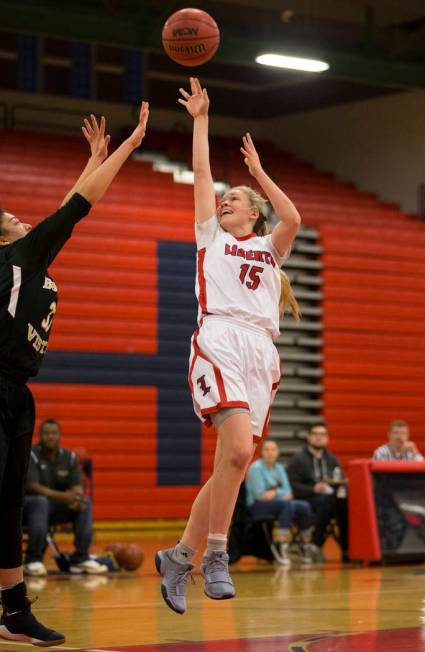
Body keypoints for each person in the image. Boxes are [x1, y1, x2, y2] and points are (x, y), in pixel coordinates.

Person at [0, 102, 149, 646]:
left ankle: (14, 613)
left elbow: (66, 208)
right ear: (3, 238)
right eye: (16, 218)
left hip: (16, 391)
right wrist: (129, 148)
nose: (28, 220)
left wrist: (93, 158)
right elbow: (77, 208)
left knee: (8, 507)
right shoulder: (15, 257)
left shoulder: (28, 258)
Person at [156, 77, 301, 614]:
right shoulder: (210, 238)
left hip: (261, 352)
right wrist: (201, 118)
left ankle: (179, 556)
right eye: (224, 198)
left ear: (252, 214)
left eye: (234, 200)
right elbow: (201, 173)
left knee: (231, 467)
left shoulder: (269, 246)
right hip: (218, 338)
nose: (224, 202)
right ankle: (215, 554)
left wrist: (259, 173)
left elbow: (294, 218)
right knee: (240, 451)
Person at [23, 419, 105, 576]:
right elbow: (32, 487)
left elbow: (77, 487)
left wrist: (77, 498)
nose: (50, 437)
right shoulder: (31, 454)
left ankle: (80, 558)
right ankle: (33, 560)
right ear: (40, 436)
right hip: (28, 509)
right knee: (41, 502)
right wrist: (66, 496)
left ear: (60, 435)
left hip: (54, 508)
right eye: (46, 433)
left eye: (54, 433)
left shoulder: (69, 457)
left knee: (84, 503)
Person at [287, 423, 348, 562]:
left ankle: (347, 548)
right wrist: (313, 489)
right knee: (326, 501)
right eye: (316, 434)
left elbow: (340, 481)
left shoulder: (332, 459)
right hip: (307, 499)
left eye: (323, 435)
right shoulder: (298, 459)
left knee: (345, 503)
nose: (319, 438)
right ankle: (316, 544)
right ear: (309, 437)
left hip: (331, 501)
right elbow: (292, 485)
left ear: (327, 438)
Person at [245, 439, 313, 565]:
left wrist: (274, 492)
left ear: (278, 453)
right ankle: (282, 546)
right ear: (262, 452)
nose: (270, 452)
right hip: (257, 506)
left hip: (278, 504)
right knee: (286, 504)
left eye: (273, 449)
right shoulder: (256, 468)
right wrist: (279, 493)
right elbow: (261, 496)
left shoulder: (279, 468)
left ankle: (305, 545)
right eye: (267, 449)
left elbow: (289, 492)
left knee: (304, 506)